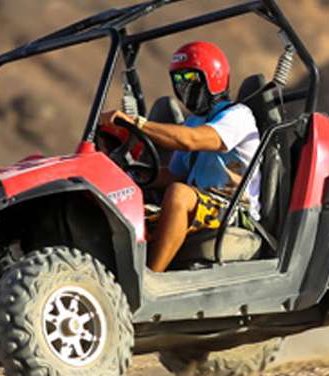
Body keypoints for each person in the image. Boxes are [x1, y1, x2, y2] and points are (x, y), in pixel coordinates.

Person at [98, 41, 261, 272]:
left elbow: (191, 140)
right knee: (125, 207)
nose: (184, 88)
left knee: (178, 194)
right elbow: (174, 174)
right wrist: (126, 176)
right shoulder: (194, 121)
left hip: (233, 211)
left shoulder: (238, 116)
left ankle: (151, 280)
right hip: (202, 205)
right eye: (178, 80)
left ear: (212, 78)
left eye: (190, 79)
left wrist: (137, 123)